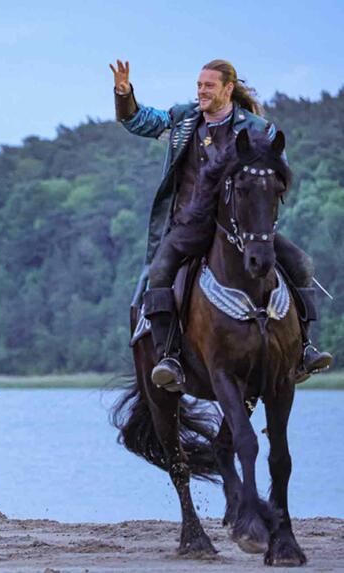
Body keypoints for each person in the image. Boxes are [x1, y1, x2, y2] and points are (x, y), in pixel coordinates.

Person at [111, 58, 332, 389]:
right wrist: (124, 93)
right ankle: (169, 356)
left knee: (301, 263)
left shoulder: (260, 129)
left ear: (228, 89)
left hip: (243, 227)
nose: (201, 91)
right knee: (158, 274)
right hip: (188, 225)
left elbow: (280, 173)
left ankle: (304, 349)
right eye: (199, 85)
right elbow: (140, 121)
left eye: (208, 86)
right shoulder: (182, 119)